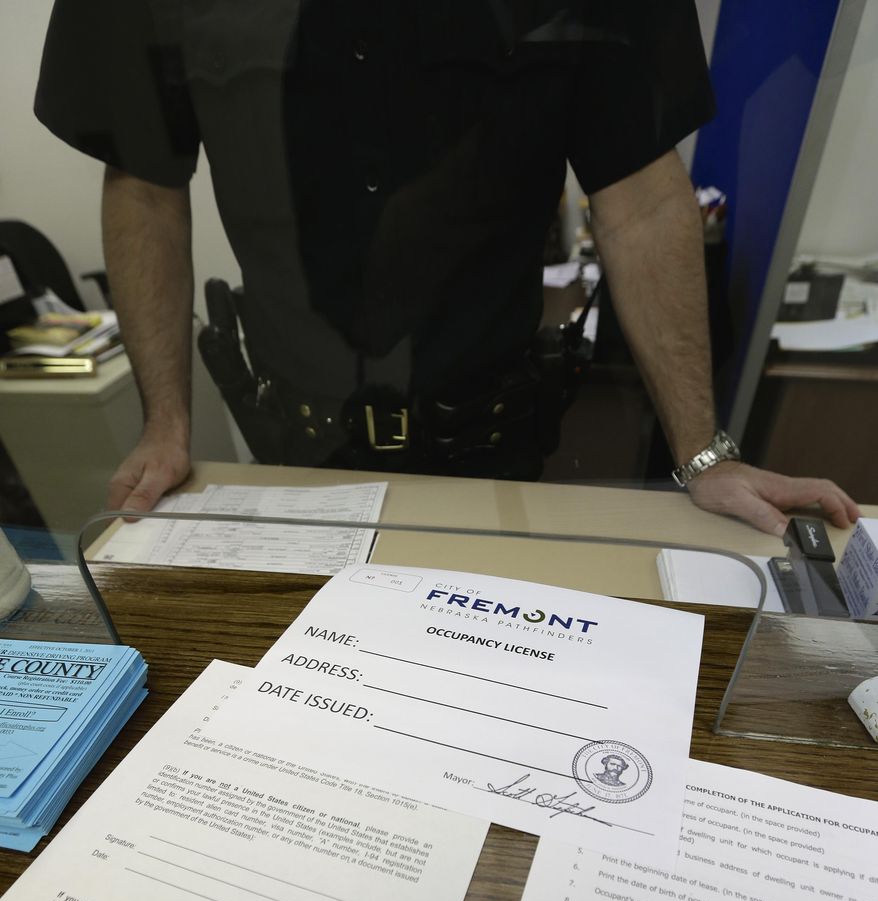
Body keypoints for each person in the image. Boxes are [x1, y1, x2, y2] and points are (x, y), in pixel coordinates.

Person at [34, 0, 859, 536]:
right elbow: (144, 183)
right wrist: (166, 426)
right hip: (287, 459)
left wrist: (705, 455)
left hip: (498, 457)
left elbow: (640, 195)